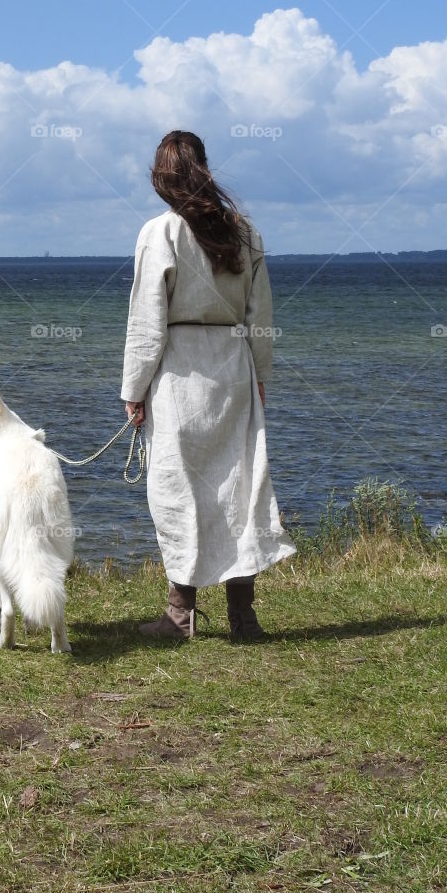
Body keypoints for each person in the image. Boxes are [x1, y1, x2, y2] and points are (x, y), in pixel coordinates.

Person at [121, 130, 295, 641]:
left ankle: (181, 616)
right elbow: (259, 316)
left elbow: (146, 322)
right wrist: (260, 375)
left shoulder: (161, 232)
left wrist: (133, 387)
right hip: (233, 368)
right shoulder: (246, 233)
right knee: (239, 487)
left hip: (178, 374)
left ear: (164, 177)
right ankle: (243, 617)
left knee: (177, 489)